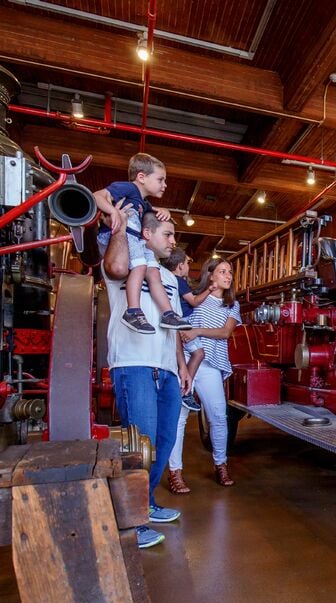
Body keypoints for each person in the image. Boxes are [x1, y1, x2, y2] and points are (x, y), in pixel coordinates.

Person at [103, 211, 190, 548]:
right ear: (149, 233)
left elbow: (176, 325)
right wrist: (124, 228)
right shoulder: (123, 264)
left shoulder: (166, 278)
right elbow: (113, 266)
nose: (172, 241)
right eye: (167, 234)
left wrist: (181, 366)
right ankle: (129, 520)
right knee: (139, 447)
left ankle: (146, 502)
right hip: (134, 363)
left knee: (163, 443)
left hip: (167, 367)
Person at [94, 152, 190, 335]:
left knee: (153, 272)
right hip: (120, 236)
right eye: (161, 179)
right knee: (139, 267)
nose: (165, 185)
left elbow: (150, 210)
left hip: (135, 239)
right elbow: (97, 196)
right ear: (141, 177)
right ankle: (133, 311)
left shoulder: (143, 202)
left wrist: (162, 210)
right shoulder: (128, 188)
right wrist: (113, 212)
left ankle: (168, 313)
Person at [171, 258, 241, 489]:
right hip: (187, 363)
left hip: (210, 365)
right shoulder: (195, 300)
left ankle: (221, 465)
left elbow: (225, 332)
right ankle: (175, 473)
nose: (228, 275)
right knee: (179, 419)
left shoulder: (232, 305)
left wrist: (197, 331)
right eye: (222, 271)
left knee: (218, 417)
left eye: (229, 272)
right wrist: (188, 338)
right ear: (210, 276)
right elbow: (180, 328)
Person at [162, 247, 214, 413]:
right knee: (199, 353)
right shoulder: (179, 281)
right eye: (186, 264)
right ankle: (186, 390)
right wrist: (210, 290)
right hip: (183, 323)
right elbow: (194, 301)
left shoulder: (167, 279)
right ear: (179, 266)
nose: (188, 267)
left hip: (178, 323)